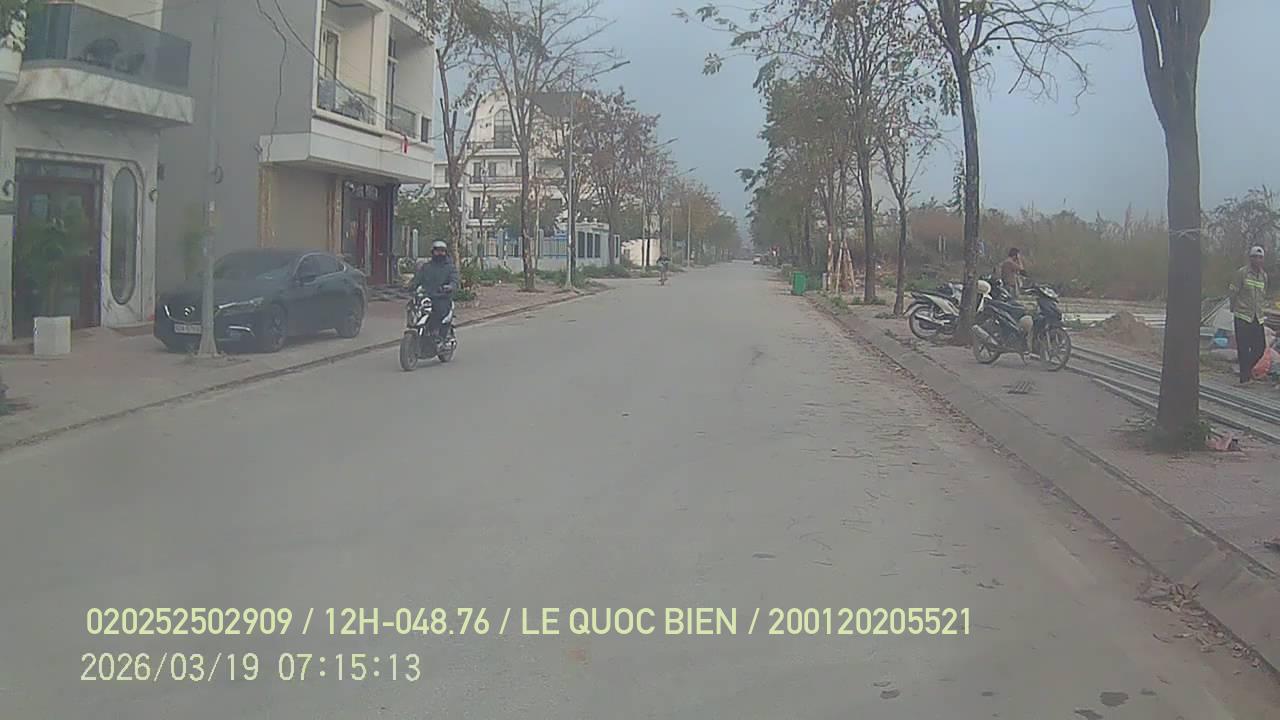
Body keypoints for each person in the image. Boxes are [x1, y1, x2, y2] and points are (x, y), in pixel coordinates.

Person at [1229, 245, 1269, 384]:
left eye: (1260, 257)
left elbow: (1263, 295)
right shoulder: (1242, 273)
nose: (1257, 260)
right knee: (1243, 348)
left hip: (1257, 317)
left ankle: (1245, 370)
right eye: (1255, 257)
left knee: (1260, 348)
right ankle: (1244, 378)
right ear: (1250, 258)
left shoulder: (1264, 276)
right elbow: (1233, 292)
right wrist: (1234, 308)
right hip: (1243, 315)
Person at [411, 240, 461, 344]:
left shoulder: (450, 267)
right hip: (427, 297)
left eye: (442, 251)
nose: (439, 253)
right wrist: (410, 286)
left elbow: (455, 280)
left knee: (438, 311)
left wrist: (450, 287)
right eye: (437, 251)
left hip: (442, 298)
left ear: (445, 252)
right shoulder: (426, 267)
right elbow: (418, 279)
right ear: (432, 252)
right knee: (414, 307)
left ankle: (438, 334)